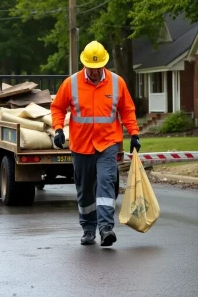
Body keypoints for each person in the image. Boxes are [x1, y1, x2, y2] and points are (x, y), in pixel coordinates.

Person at [51, 41, 141, 247]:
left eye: (97, 68)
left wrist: (134, 133)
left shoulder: (117, 83)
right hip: (81, 145)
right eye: (90, 69)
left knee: (106, 183)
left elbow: (127, 110)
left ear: (104, 65)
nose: (93, 72)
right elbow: (57, 108)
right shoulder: (71, 83)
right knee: (84, 190)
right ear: (85, 65)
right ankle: (88, 229)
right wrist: (57, 129)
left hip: (107, 144)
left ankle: (106, 228)